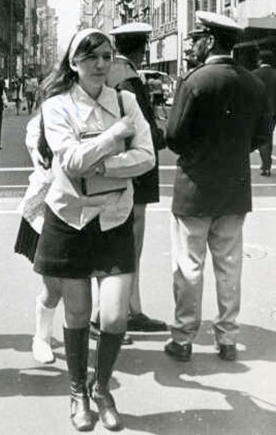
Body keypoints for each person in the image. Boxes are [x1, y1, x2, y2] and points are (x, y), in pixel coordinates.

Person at [33, 27, 155, 431]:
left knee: (116, 316)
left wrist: (103, 164)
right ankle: (78, 393)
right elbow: (68, 162)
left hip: (114, 217)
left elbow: (147, 157)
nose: (101, 65)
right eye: (91, 58)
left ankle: (102, 388)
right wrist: (113, 137)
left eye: (106, 56)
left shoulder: (126, 101)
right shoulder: (56, 106)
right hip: (70, 218)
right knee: (79, 312)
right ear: (74, 63)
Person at [164, 12, 270, 365]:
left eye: (197, 38)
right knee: (229, 267)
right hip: (235, 187)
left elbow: (174, 136)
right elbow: (262, 134)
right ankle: (227, 338)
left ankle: (183, 338)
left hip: (195, 187)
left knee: (189, 267)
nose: (193, 44)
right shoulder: (253, 83)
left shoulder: (195, 81)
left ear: (209, 41)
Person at [106, 22, 167, 336]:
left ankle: (127, 309)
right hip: (135, 174)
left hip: (114, 169)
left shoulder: (111, 73)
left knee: (117, 241)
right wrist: (160, 133)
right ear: (143, 49)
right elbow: (142, 129)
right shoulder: (129, 80)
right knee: (130, 244)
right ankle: (127, 311)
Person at [15, 100, 64, 364]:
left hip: (95, 208)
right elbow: (46, 165)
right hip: (50, 207)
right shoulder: (39, 124)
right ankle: (42, 338)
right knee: (54, 283)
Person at [250, 50, 276, 177]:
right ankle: (266, 164)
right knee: (268, 135)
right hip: (274, 112)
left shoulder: (253, 74)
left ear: (260, 60)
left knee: (261, 137)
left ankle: (265, 164)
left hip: (258, 111)